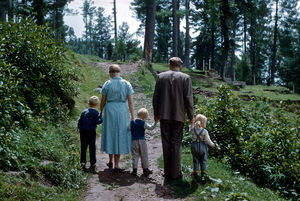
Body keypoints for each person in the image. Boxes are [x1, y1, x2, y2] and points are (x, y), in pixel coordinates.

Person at [153, 57, 194, 180]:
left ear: (169, 65)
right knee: (176, 143)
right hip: (179, 115)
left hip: (164, 115)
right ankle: (176, 173)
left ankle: (167, 172)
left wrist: (156, 113)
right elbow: (188, 99)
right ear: (180, 66)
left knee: (166, 143)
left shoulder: (161, 77)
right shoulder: (186, 78)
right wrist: (191, 116)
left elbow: (156, 97)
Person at [100, 64, 134, 172]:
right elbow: (130, 101)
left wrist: (101, 111)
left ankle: (110, 160)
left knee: (110, 133)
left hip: (109, 110)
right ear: (119, 72)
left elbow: (103, 100)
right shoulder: (126, 84)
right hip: (122, 110)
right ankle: (117, 165)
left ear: (110, 72)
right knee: (119, 133)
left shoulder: (107, 83)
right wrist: (132, 115)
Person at [130, 108, 157, 177]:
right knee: (144, 155)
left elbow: (127, 128)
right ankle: (145, 170)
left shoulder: (132, 122)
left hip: (134, 141)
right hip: (142, 141)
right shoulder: (143, 123)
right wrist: (155, 122)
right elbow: (151, 128)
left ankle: (134, 171)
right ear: (145, 117)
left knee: (135, 156)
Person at [78, 96, 102, 172]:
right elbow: (98, 122)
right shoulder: (96, 113)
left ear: (88, 103)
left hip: (83, 131)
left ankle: (83, 162)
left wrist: (80, 128)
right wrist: (102, 117)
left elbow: (79, 120)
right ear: (97, 105)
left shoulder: (84, 111)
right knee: (92, 148)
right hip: (91, 132)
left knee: (83, 147)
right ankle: (93, 163)